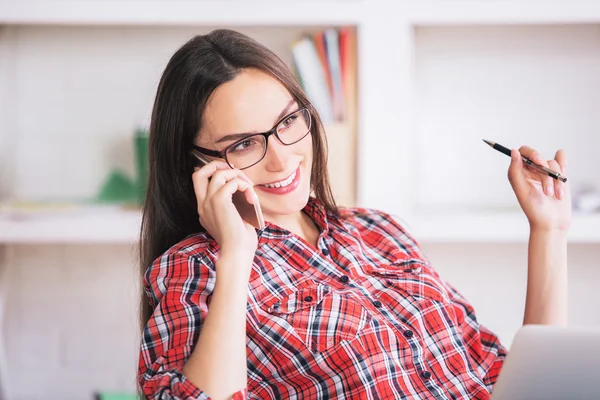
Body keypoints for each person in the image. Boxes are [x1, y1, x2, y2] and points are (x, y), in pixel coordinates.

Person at [137, 29, 572, 400]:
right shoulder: (195, 269)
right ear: (199, 166)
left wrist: (548, 228)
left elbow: (520, 382)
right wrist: (236, 255)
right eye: (244, 144)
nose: (282, 159)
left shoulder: (378, 230)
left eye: (288, 122)